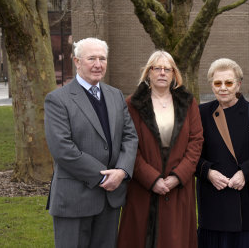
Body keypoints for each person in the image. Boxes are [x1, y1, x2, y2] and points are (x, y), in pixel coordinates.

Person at [44, 37, 138, 248]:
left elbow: (130, 137)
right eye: (91, 58)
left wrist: (122, 171)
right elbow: (63, 149)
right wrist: (104, 177)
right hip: (74, 199)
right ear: (77, 62)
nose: (98, 64)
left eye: (102, 58)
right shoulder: (57, 100)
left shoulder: (115, 95)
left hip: (110, 200)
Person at [117, 50, 204, 248]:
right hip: (143, 189)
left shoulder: (188, 103)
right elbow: (129, 145)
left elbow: (196, 142)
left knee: (176, 240)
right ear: (149, 73)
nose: (162, 73)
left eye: (168, 69)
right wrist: (152, 179)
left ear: (174, 74)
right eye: (157, 68)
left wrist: (177, 177)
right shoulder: (133, 104)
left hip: (179, 190)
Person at [196, 58, 249, 248]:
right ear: (212, 85)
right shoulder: (201, 113)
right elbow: (190, 154)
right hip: (211, 197)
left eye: (228, 82)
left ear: (238, 84)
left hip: (242, 197)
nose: (223, 88)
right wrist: (208, 172)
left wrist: (245, 172)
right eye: (217, 83)